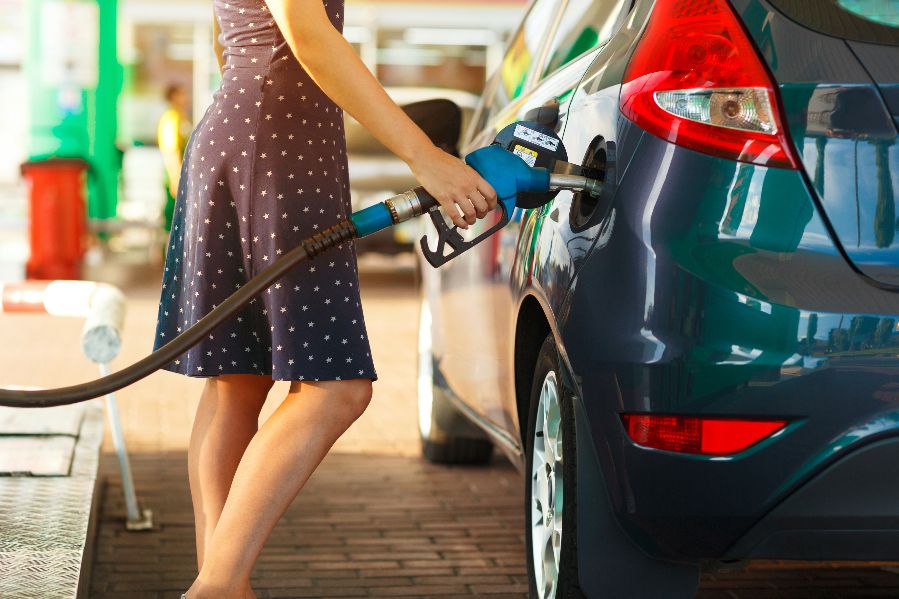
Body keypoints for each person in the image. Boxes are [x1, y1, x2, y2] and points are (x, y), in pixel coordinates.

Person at [151, 1, 497, 598]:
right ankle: (217, 586)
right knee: (334, 389)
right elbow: (306, 32)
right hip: (278, 144)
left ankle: (220, 584)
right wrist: (425, 157)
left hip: (254, 130)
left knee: (238, 380)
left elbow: (230, 37)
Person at [157, 83, 192, 238]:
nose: (185, 98)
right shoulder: (171, 118)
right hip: (176, 177)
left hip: (181, 176)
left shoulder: (180, 116)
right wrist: (175, 178)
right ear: (173, 97)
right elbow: (170, 150)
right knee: (172, 217)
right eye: (181, 94)